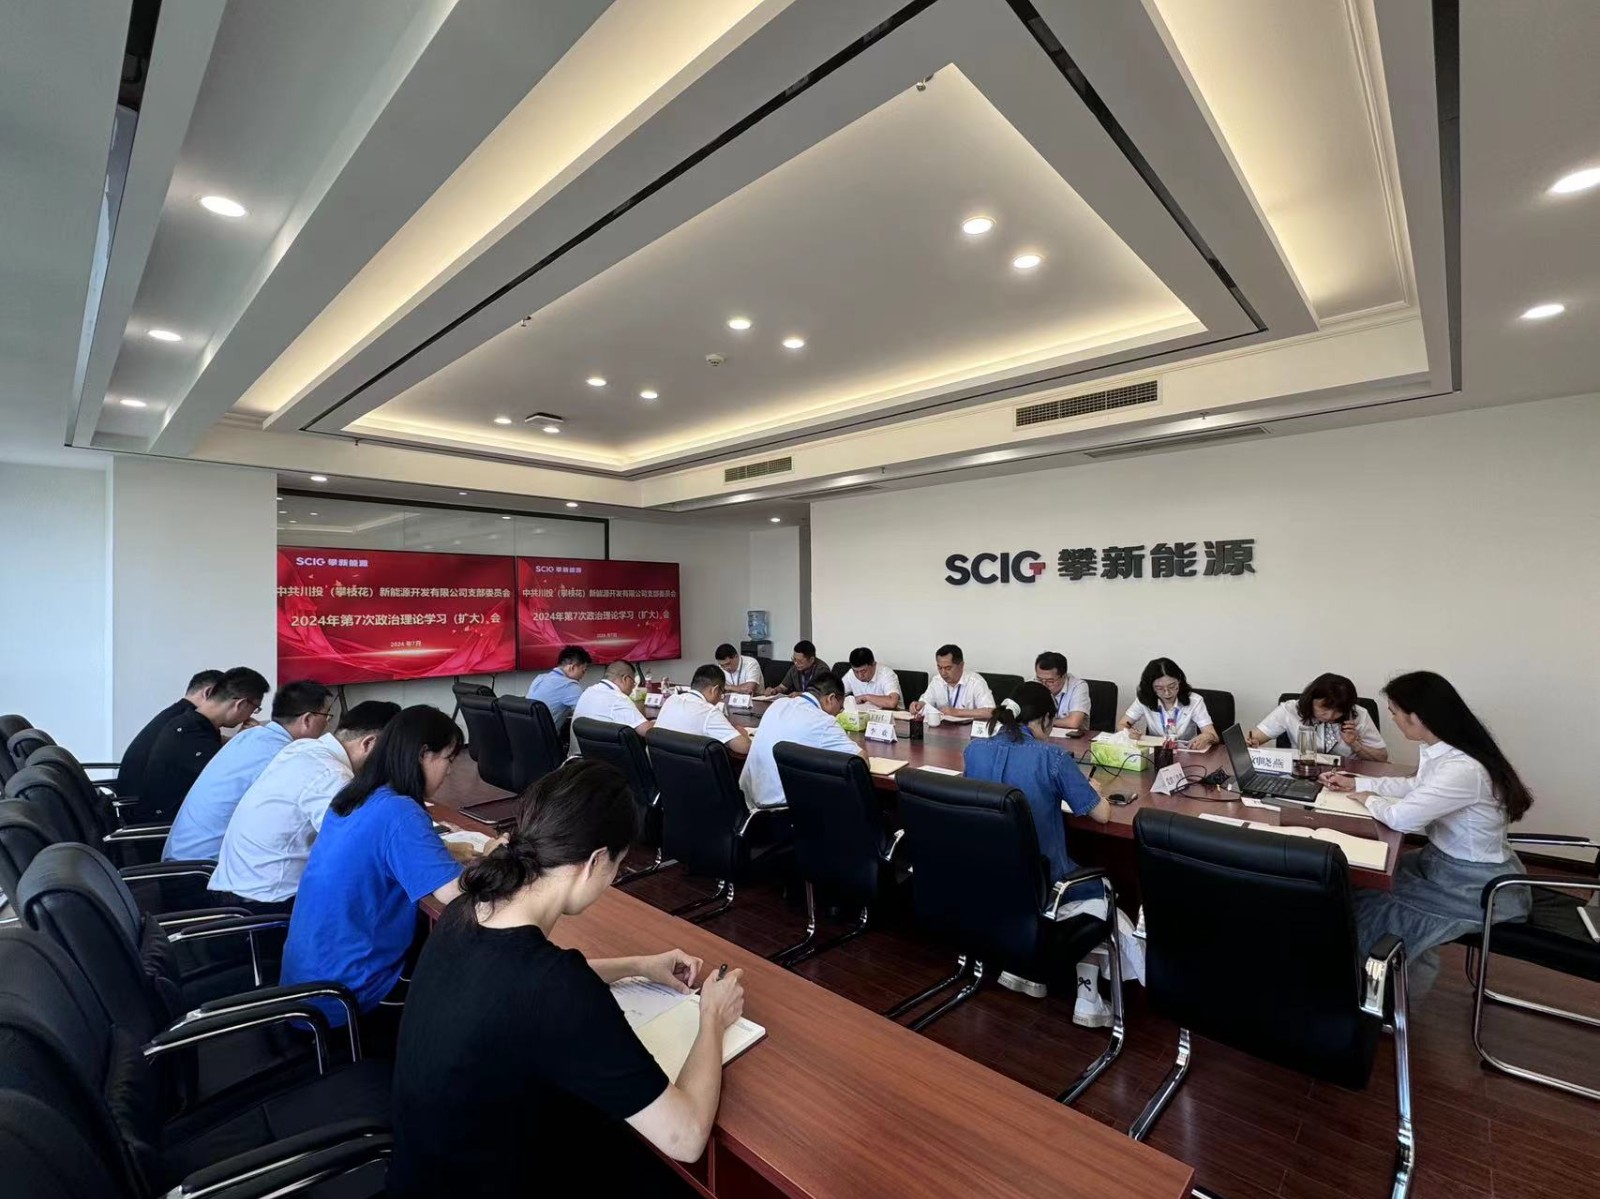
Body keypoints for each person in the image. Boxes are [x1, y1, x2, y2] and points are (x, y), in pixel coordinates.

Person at [388, 760, 747, 1197]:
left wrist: (637, 965)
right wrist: (712, 1017)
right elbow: (685, 1138)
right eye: (618, 866)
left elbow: (517, 990)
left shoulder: (468, 910)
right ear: (596, 861)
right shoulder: (554, 987)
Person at [1323, 671, 1533, 996]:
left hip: (1475, 886)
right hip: (1442, 864)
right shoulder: (1444, 750)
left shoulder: (1462, 769)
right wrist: (1357, 783)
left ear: (1417, 716)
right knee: (1358, 883)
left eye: (1394, 712)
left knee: (1379, 910)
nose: (1393, 719)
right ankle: (1353, 978)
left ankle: (1384, 1001)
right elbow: (1415, 787)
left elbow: (1402, 818)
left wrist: (1368, 799)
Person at [279, 705, 466, 1053]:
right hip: (348, 999)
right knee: (463, 980)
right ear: (423, 755)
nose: (450, 770)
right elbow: (454, 893)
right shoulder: (399, 812)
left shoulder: (354, 797)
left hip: (307, 985)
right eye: (448, 758)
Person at [962, 682, 1127, 1026]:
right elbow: (1102, 815)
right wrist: (1092, 789)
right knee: (1100, 894)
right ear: (1047, 719)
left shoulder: (975, 750)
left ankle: (1023, 968)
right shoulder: (1052, 757)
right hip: (1047, 885)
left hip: (989, 877)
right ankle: (1087, 996)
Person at [208, 700, 402, 912]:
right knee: (389, 898)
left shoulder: (304, 748)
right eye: (391, 754)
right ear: (369, 743)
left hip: (237, 886)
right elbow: (362, 851)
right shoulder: (332, 775)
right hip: (266, 904)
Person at [162, 680, 334, 862]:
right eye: (327, 716)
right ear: (307, 720)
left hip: (181, 855)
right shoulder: (284, 756)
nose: (327, 724)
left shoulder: (250, 736)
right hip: (206, 867)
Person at [140, 667, 271, 820]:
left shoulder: (191, 723)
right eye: (255, 709)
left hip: (184, 814)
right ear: (240, 704)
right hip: (170, 825)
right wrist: (254, 743)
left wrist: (242, 739)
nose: (250, 715)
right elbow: (237, 781)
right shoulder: (192, 736)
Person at [740, 673, 866, 811]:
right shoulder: (823, 721)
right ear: (831, 699)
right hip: (782, 810)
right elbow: (860, 761)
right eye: (840, 708)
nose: (838, 713)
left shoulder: (778, 704)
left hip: (746, 801)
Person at [114, 669, 222, 799]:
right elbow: (217, 769)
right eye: (223, 698)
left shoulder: (174, 715)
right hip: (147, 804)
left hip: (130, 796)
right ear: (208, 693)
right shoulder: (187, 723)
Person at [1247, 672, 1388, 761]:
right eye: (1324, 709)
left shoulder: (1359, 714)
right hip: (1303, 772)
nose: (1330, 716)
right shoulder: (1290, 710)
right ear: (1310, 700)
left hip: (1348, 774)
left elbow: (1382, 758)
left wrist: (1355, 744)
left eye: (1338, 711)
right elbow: (1253, 738)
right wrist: (1252, 743)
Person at [1117, 658, 1218, 750]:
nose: (1167, 693)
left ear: (1179, 681)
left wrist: (1207, 737)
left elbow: (1213, 735)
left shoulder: (1194, 701)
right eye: (1159, 688)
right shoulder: (1145, 699)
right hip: (1155, 753)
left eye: (1172, 686)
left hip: (1186, 753)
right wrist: (1128, 732)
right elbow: (1122, 724)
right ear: (1150, 687)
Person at [654, 664, 751, 755]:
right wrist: (743, 734)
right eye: (722, 692)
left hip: (659, 763)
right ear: (715, 690)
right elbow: (744, 747)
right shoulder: (709, 712)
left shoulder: (671, 700)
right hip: (689, 766)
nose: (721, 697)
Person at [569, 660, 652, 756]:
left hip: (577, 760)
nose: (633, 688)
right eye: (633, 683)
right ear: (625, 679)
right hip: (602, 763)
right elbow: (647, 731)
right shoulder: (618, 698)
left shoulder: (588, 691)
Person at [909, 644, 995, 720]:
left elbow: (990, 712)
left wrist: (957, 712)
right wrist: (918, 706)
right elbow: (925, 702)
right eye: (940, 668)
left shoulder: (976, 682)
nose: (943, 673)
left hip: (969, 730)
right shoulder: (937, 681)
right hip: (942, 729)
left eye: (948, 668)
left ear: (961, 665)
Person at [526, 645, 592, 727]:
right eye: (583, 671)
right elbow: (589, 714)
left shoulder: (540, 678)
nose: (583, 676)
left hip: (526, 731)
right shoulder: (569, 686)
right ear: (572, 667)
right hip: (546, 734)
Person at [1033, 651, 1090, 733]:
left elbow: (1073, 722)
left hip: (1071, 738)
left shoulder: (1078, 686)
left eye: (1050, 681)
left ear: (1063, 676)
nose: (1043, 685)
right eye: (1040, 679)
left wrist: (1043, 722)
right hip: (1041, 736)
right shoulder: (1033, 683)